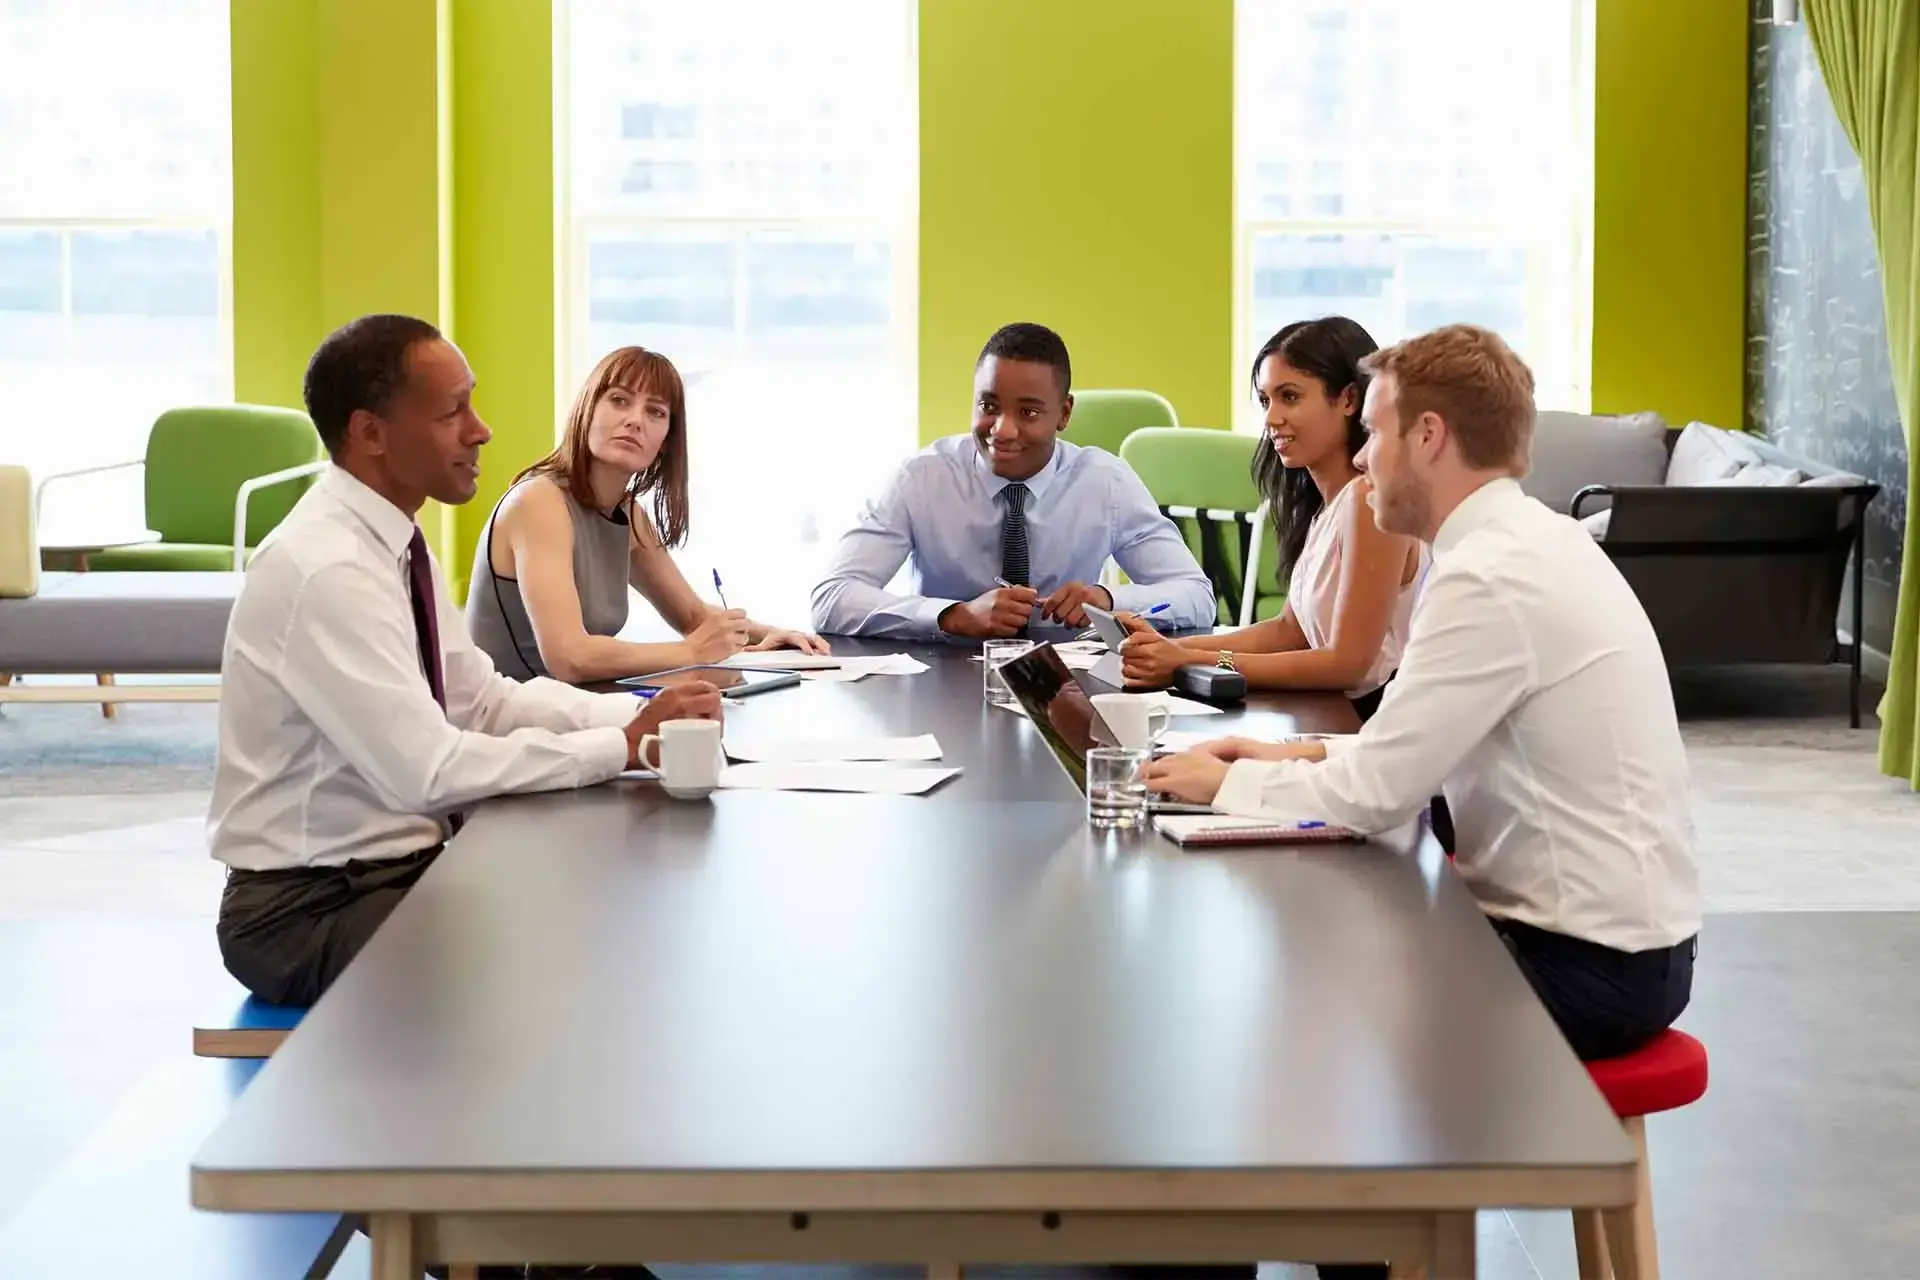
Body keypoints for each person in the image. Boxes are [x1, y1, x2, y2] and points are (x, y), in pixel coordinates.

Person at [1147, 326, 1700, 1280]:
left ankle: (1232, 1244)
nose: (1362, 458)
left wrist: (1226, 781)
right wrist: (1289, 748)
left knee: (1301, 1026)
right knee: (1309, 981)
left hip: (1590, 968)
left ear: (1431, 437)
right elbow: (1409, 737)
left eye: (1377, 433)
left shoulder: (1491, 575)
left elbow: (1375, 795)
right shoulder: (1521, 544)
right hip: (1624, 945)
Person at [209, 315, 723, 1013]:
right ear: (370, 434)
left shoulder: (393, 542)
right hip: (306, 910)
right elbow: (431, 771)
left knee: (615, 912)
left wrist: (642, 719)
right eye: (453, 412)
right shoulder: (326, 569)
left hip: (396, 871)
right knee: (574, 956)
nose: (481, 430)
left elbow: (484, 701)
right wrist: (620, 747)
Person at [809, 322, 1215, 639]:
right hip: (943, 679)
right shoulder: (920, 479)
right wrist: (952, 616)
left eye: (1029, 412)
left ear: (1064, 414)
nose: (1002, 430)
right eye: (988, 406)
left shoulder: (1105, 482)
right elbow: (832, 598)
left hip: (1066, 684)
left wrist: (1109, 600)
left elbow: (1195, 596)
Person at [1115, 317, 1425, 720]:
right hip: (1330, 715)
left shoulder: (1369, 501)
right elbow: (1288, 632)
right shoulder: (1327, 506)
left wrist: (1186, 660)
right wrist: (1169, 648)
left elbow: (1348, 664)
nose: (1271, 418)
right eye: (1265, 401)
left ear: (1348, 400)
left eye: (1290, 397)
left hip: (1368, 726)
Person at [466, 345, 827, 683]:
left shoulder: (629, 515)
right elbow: (569, 656)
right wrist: (691, 652)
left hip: (574, 716)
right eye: (619, 401)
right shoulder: (539, 502)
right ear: (587, 409)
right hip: (509, 730)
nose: (635, 421)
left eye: (655, 411)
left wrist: (773, 635)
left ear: (666, 441)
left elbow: (693, 617)